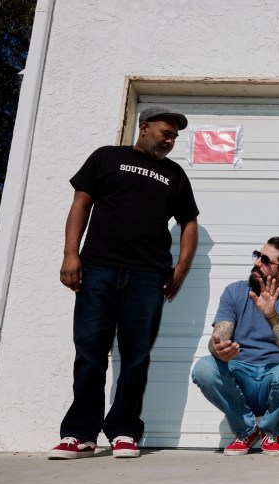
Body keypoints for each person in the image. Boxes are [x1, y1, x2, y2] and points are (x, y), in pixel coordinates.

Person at [49, 105, 199, 459]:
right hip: (98, 269)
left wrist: (181, 269)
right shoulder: (107, 157)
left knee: (136, 358)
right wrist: (71, 254)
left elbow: (189, 222)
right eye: (166, 132)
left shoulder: (174, 174)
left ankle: (123, 431)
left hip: (148, 276)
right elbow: (80, 204)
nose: (170, 141)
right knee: (89, 354)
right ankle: (79, 434)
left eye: (175, 137)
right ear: (144, 127)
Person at [191, 237, 279, 456]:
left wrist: (272, 316)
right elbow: (219, 335)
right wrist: (217, 348)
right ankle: (246, 430)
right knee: (204, 368)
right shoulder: (235, 291)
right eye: (258, 255)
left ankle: (270, 430)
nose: (257, 262)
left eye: (266, 260)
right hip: (240, 373)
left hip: (274, 378)